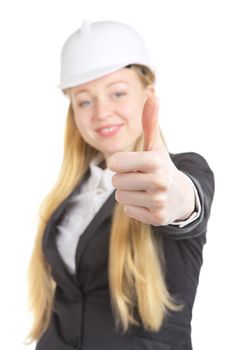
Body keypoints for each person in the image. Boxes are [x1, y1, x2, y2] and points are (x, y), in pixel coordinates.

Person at [26, 20, 215, 350]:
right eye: (85, 100)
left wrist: (179, 202)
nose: (101, 112)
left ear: (148, 94)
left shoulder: (184, 170)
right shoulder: (70, 195)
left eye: (117, 93)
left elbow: (188, 204)